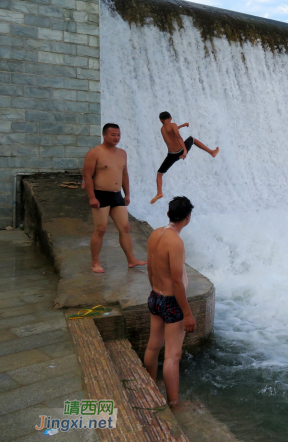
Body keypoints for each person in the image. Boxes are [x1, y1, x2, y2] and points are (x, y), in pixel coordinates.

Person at [144, 196, 197, 408]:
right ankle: (174, 402)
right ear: (188, 218)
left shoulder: (155, 234)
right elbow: (176, 282)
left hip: (154, 296)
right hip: (171, 301)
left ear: (168, 214)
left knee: (152, 346)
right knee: (172, 356)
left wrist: (155, 290)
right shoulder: (176, 242)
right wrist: (187, 313)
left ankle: (148, 389)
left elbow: (149, 267)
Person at [83, 123, 146, 273]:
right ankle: (95, 263)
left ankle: (131, 260)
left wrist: (127, 194)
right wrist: (92, 197)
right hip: (100, 195)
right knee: (101, 229)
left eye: (118, 135)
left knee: (125, 227)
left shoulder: (122, 153)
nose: (116, 138)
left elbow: (124, 174)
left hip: (117, 195)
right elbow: (87, 175)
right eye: (113, 135)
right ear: (104, 135)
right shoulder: (94, 153)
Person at [151, 112, 219, 204]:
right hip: (180, 151)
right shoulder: (173, 125)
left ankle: (159, 193)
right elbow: (178, 136)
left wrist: (182, 125)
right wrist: (185, 150)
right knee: (192, 139)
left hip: (171, 155)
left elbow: (171, 132)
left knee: (159, 173)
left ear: (161, 120)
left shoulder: (162, 129)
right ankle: (212, 152)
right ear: (171, 118)